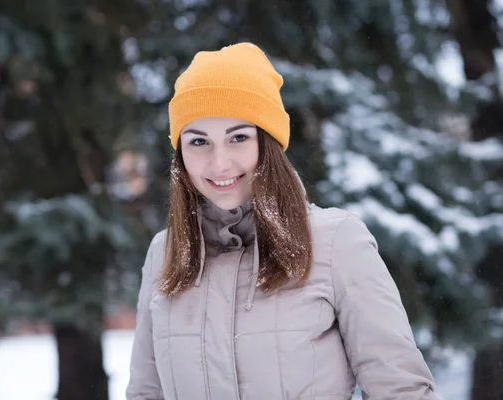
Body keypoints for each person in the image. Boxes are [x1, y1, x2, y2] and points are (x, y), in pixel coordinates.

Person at [126, 42, 439, 400]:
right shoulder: (164, 254)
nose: (219, 163)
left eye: (238, 137)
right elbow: (146, 393)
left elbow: (401, 391)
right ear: (180, 154)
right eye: (199, 141)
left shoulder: (336, 242)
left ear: (268, 143)